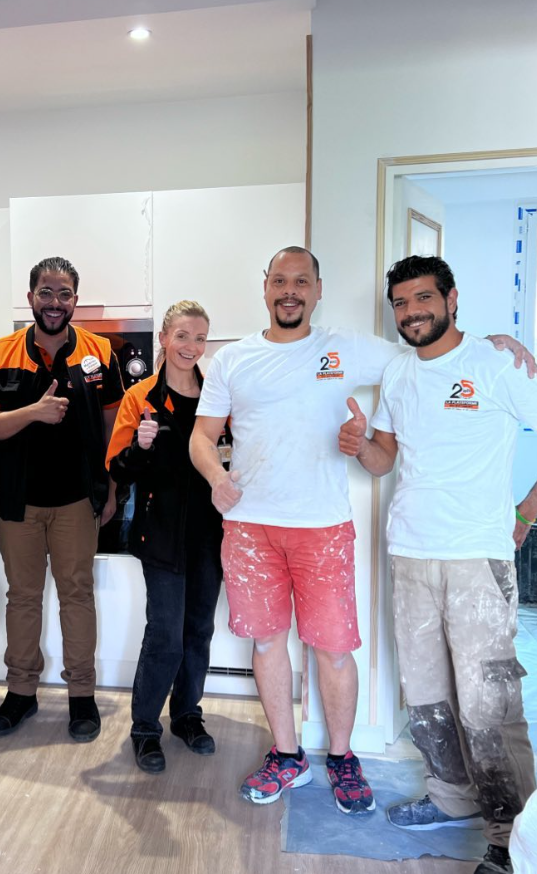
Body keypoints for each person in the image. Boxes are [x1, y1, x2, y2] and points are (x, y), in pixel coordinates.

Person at [189, 246, 531, 817]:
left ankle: (345, 759)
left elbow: (433, 347)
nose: (290, 290)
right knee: (272, 645)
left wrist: (499, 341)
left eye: (302, 281)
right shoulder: (234, 359)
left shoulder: (352, 349)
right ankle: (289, 755)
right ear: (266, 287)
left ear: (318, 290)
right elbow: (202, 436)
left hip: (329, 529)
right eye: (280, 280)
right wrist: (216, 476)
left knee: (343, 652)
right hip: (254, 528)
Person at [338, 254, 537, 874]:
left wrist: (525, 514)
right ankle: (452, 798)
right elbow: (384, 459)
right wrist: (360, 446)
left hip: (477, 558)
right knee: (425, 695)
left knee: (488, 705)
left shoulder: (497, 363)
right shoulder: (399, 372)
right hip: (410, 552)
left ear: (451, 300)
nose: (411, 312)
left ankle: (510, 836)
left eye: (423, 298)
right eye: (400, 303)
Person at [0, 256, 124, 742]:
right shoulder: (0, 353)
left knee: (77, 595)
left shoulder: (100, 352)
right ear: (31, 297)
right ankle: (21, 692)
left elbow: (114, 428)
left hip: (78, 501)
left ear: (75, 300)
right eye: (46, 292)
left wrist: (112, 490)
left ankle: (82, 694)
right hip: (17, 502)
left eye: (64, 294)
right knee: (22, 598)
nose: (54, 303)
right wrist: (33, 412)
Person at [106, 301, 229, 773]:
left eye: (199, 338)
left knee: (198, 630)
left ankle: (186, 715)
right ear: (163, 338)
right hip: (159, 534)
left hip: (209, 534)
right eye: (182, 336)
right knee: (165, 635)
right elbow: (117, 468)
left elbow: (232, 454)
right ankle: (144, 728)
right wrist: (139, 448)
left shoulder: (217, 397)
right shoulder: (141, 398)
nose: (191, 347)